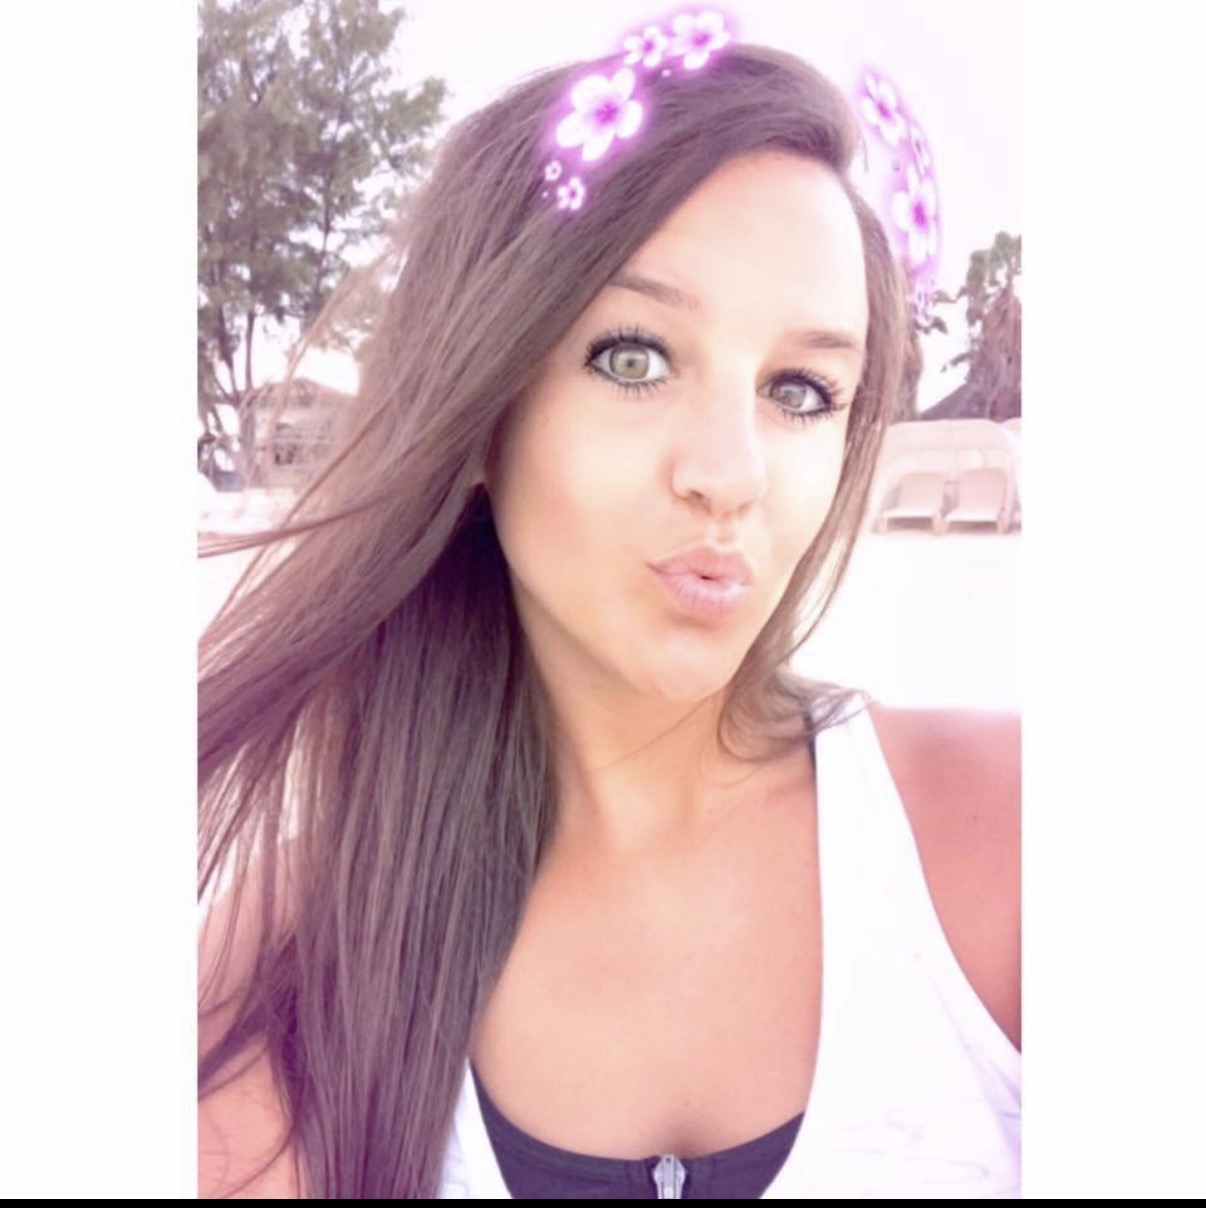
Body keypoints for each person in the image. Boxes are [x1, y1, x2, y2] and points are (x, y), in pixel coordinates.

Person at [199, 13, 1019, 1200]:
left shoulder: (1002, 840)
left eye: (801, 389)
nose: (730, 473)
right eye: (634, 358)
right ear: (480, 406)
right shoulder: (290, 957)